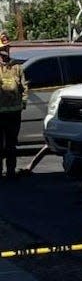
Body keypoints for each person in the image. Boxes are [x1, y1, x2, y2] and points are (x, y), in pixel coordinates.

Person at [0, 32, 28, 179]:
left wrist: (23, 103)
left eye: (7, 47)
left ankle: (11, 171)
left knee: (11, 145)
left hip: (14, 113)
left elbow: (24, 87)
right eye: (3, 48)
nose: (5, 51)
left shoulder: (17, 67)